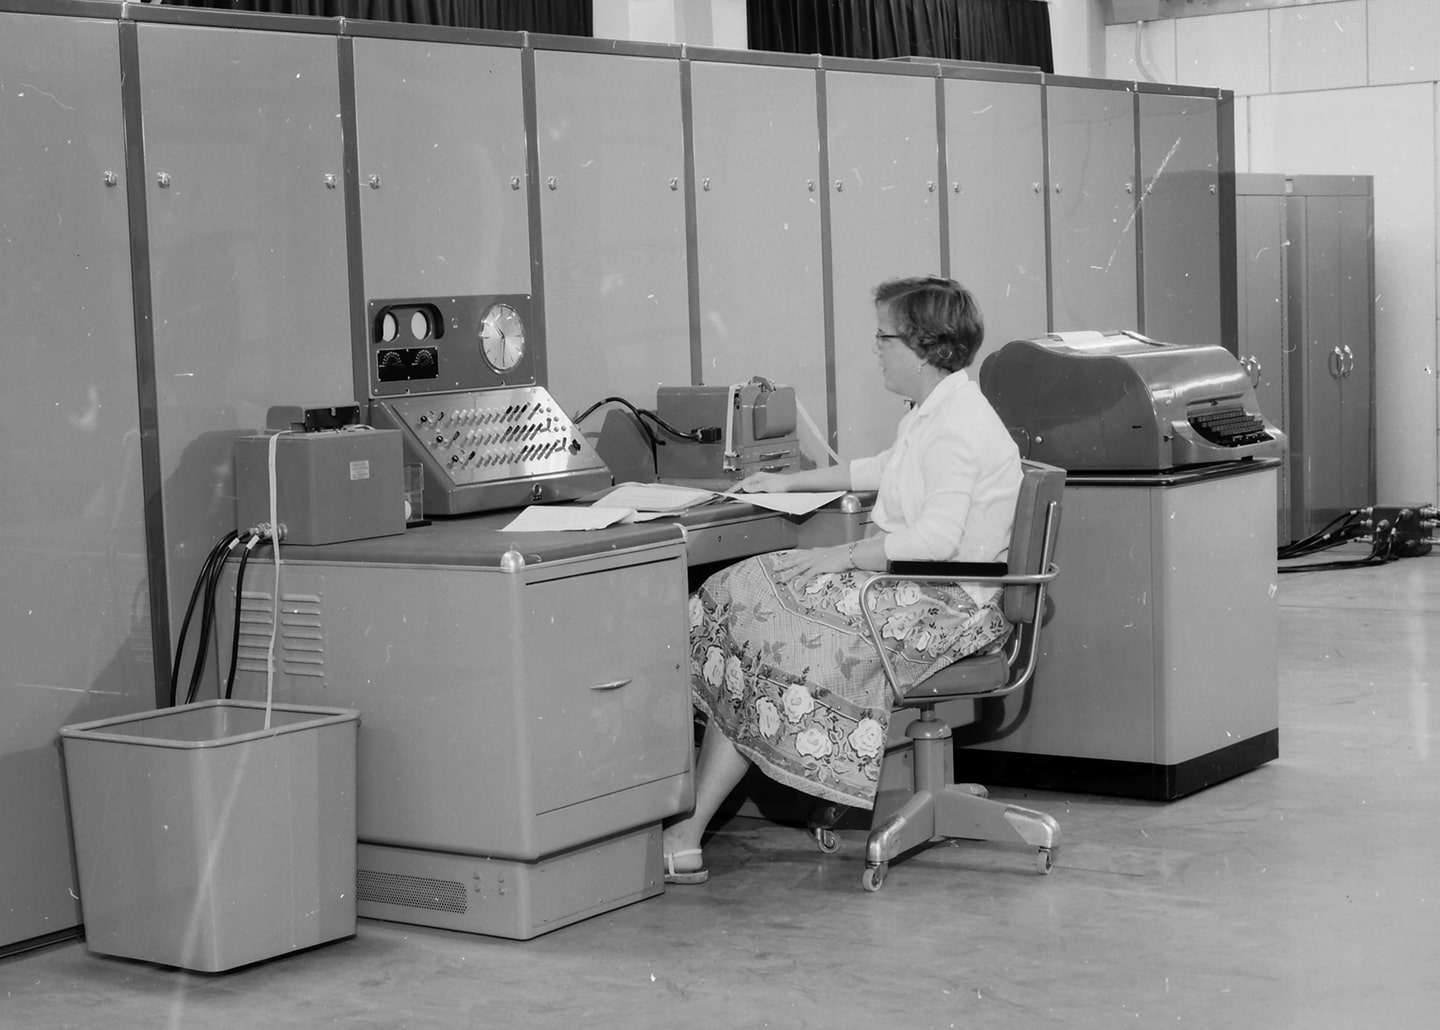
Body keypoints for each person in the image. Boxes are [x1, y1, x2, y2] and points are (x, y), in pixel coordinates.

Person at [661, 275, 1024, 884]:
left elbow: (936, 540)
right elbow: (884, 468)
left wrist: (846, 557)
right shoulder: (937, 411)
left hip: (951, 606)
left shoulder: (959, 426)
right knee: (743, 593)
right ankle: (705, 822)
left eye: (885, 337)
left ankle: (697, 824)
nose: (877, 348)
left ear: (925, 348)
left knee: (771, 627)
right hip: (919, 588)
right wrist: (791, 482)